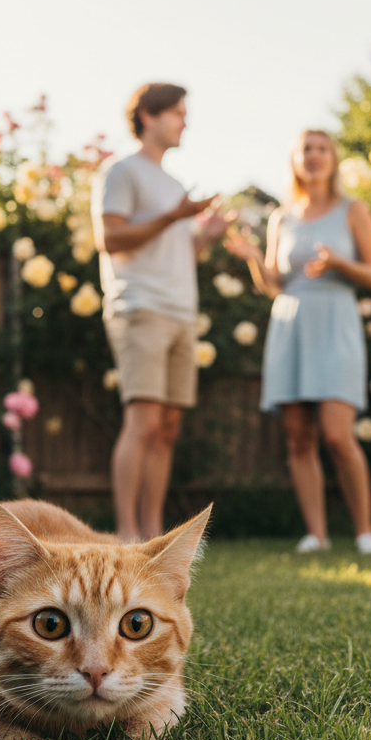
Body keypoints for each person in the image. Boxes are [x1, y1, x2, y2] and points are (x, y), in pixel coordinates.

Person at [225, 130, 371, 555]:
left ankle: (365, 531)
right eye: (305, 150)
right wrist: (256, 259)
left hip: (336, 320)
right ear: (294, 161)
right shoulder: (282, 217)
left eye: (321, 149)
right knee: (298, 437)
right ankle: (317, 534)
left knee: (337, 434)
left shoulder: (354, 210)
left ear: (333, 159)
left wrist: (337, 261)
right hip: (291, 322)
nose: (313, 156)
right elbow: (276, 285)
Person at [91, 83, 231, 540]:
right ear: (148, 117)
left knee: (168, 427)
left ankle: (152, 533)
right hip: (140, 308)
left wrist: (205, 234)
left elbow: (175, 252)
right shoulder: (121, 172)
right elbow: (110, 239)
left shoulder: (171, 185)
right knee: (144, 420)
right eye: (177, 113)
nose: (184, 122)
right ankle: (127, 531)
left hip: (180, 312)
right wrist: (175, 216)